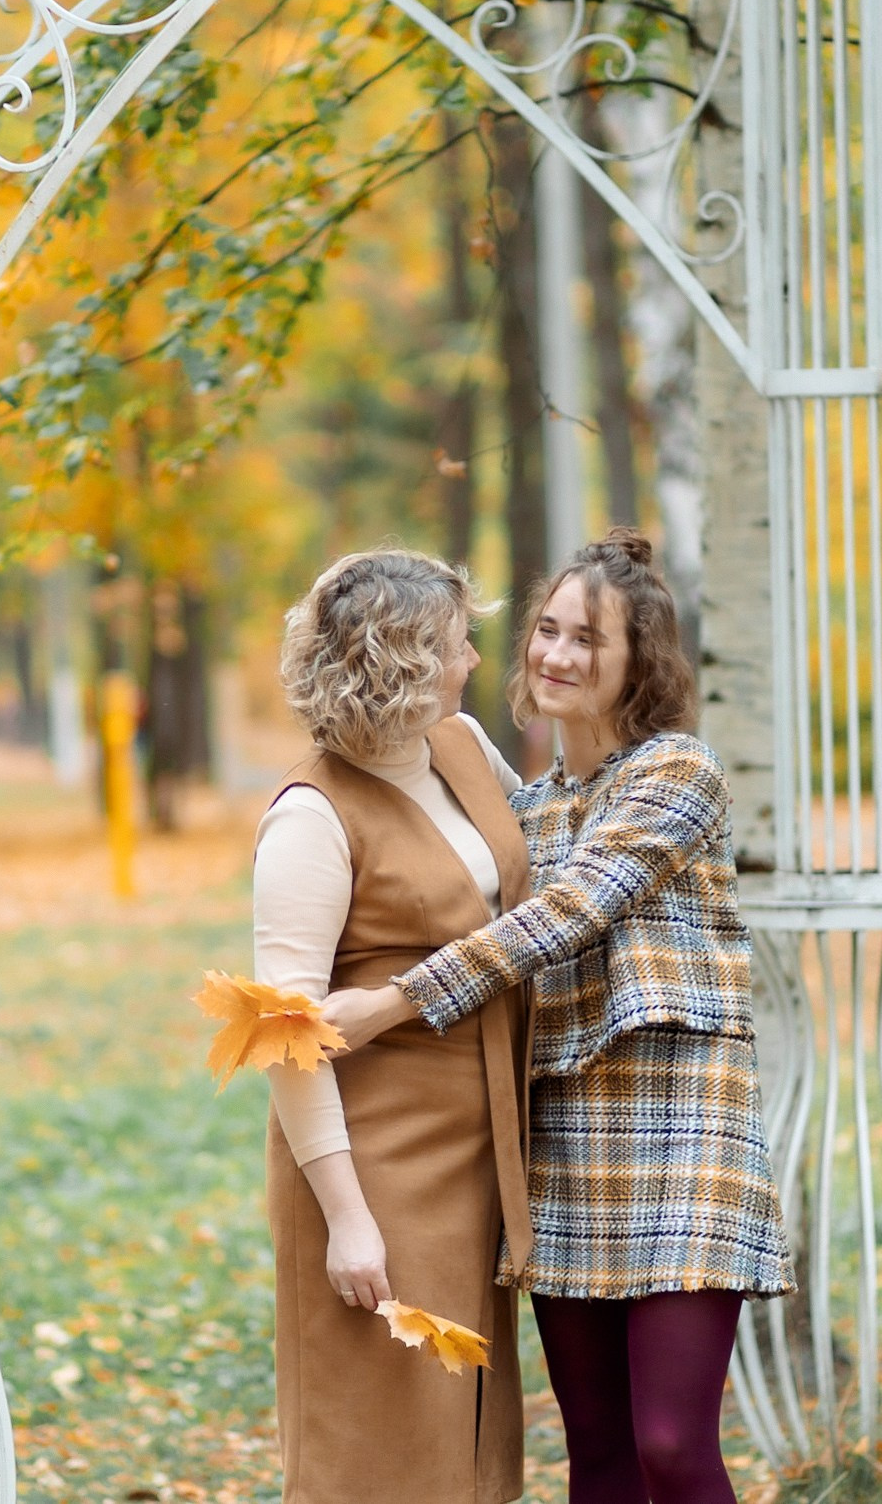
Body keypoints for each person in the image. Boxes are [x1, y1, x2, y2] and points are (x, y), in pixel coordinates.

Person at [323, 528, 789, 1504]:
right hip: (564, 1145)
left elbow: (566, 913)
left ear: (637, 663)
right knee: (599, 1457)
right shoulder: (526, 807)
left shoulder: (676, 775)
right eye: (546, 629)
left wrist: (390, 1005)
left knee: (668, 1441)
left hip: (683, 1135)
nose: (556, 655)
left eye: (588, 639)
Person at [252, 548, 532, 1504]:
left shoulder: (458, 748)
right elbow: (283, 1036)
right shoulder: (312, 815)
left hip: (474, 1156)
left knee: (466, 1441)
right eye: (459, 644)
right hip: (372, 1164)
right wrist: (348, 1221)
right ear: (406, 659)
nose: (472, 662)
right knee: (377, 1445)